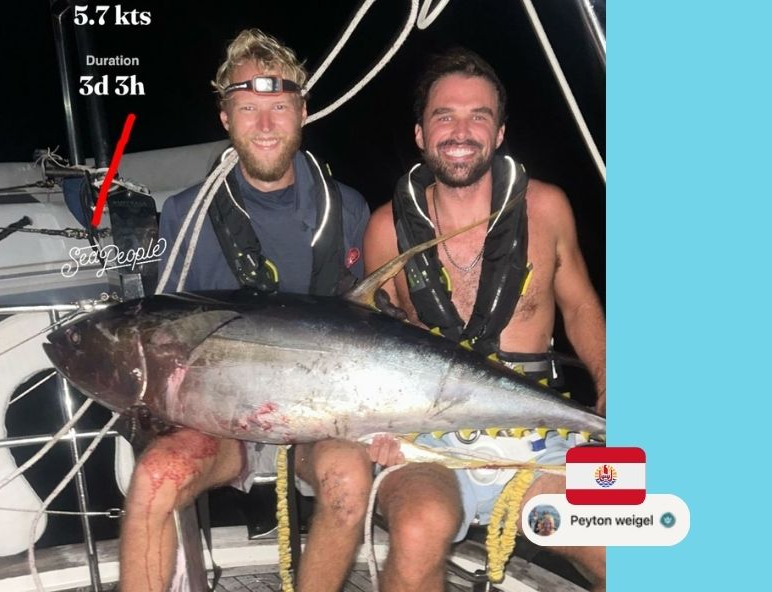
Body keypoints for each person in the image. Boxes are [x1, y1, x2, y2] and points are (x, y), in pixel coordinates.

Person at [122, 29, 375, 592]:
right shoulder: (185, 215)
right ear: (225, 118)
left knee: (349, 481)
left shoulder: (349, 209)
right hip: (221, 425)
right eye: (247, 109)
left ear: (303, 112)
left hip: (318, 415)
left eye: (278, 107)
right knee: (155, 477)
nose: (264, 125)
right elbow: (166, 339)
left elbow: (366, 333)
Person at [363, 48, 606, 591]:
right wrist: (376, 426)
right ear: (421, 134)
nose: (461, 130)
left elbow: (581, 305)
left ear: (498, 135)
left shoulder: (547, 209)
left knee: (619, 546)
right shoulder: (385, 230)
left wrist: (611, 379)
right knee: (419, 528)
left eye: (479, 116)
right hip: (432, 445)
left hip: (540, 439)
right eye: (444, 115)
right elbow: (371, 342)